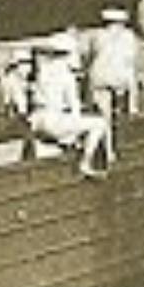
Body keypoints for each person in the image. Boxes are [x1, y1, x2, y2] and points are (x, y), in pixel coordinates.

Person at [27, 33, 113, 178]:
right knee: (99, 124)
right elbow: (74, 108)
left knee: (66, 132)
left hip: (37, 120)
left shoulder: (42, 72)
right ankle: (85, 163)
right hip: (53, 121)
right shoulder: (66, 76)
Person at [84, 6, 140, 118]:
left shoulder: (96, 35)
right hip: (122, 77)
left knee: (103, 112)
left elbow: (88, 56)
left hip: (100, 76)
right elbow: (132, 59)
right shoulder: (129, 36)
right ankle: (130, 108)